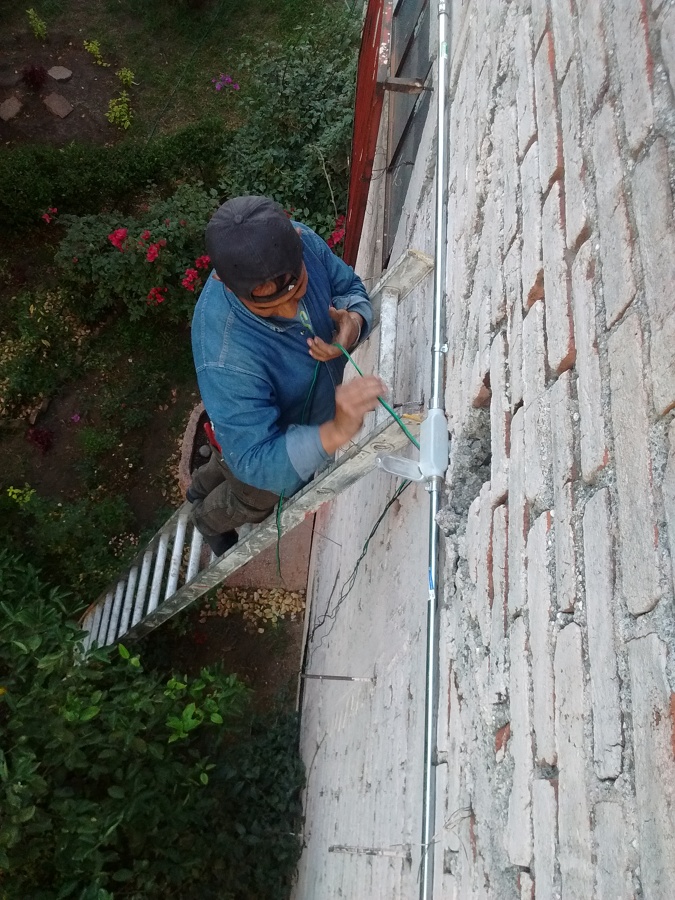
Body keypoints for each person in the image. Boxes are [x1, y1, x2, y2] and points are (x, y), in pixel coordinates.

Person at [188, 195, 385, 554]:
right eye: (268, 305)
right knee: (253, 501)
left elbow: (350, 288)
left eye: (299, 288)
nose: (293, 310)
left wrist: (352, 324)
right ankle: (204, 518)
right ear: (225, 284)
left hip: (249, 431)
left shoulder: (302, 242)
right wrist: (335, 432)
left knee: (226, 458)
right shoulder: (224, 354)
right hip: (263, 454)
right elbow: (254, 460)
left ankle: (200, 486)